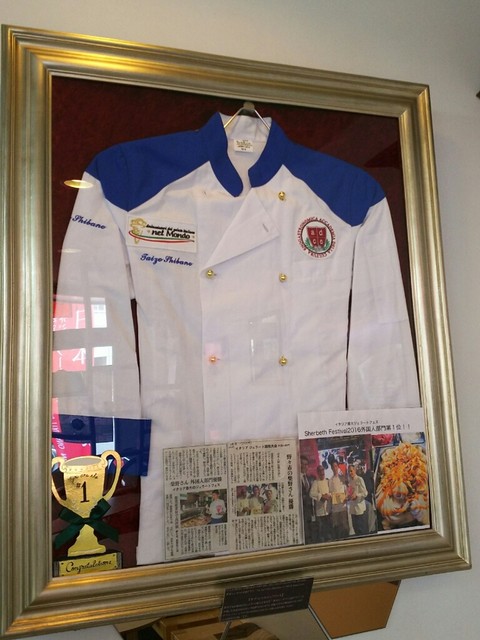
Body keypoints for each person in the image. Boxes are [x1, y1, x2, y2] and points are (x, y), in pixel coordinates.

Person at [309, 465, 332, 542]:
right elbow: (311, 494)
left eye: (323, 470)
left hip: (328, 510)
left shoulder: (328, 481)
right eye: (320, 471)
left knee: (328, 530)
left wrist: (328, 495)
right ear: (318, 472)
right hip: (320, 511)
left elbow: (332, 492)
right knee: (321, 531)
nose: (322, 472)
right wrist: (321, 496)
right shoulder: (315, 482)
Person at [328, 460, 349, 540]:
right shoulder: (330, 480)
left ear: (338, 467)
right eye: (333, 466)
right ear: (331, 468)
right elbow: (330, 492)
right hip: (335, 508)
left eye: (336, 466)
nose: (334, 468)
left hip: (343, 507)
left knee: (344, 526)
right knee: (336, 526)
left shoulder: (343, 478)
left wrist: (346, 497)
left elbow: (346, 491)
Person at [347, 464, 369, 536]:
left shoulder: (359, 479)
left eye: (351, 471)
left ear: (355, 470)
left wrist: (357, 495)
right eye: (349, 471)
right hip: (353, 509)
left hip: (359, 509)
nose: (350, 473)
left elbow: (365, 493)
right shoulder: (350, 481)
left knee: (361, 531)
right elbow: (350, 492)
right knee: (356, 530)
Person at [300, 455, 316, 543]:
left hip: (310, 510)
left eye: (307, 464)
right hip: (301, 511)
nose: (305, 466)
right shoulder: (295, 479)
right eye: (303, 464)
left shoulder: (309, 478)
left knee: (311, 531)